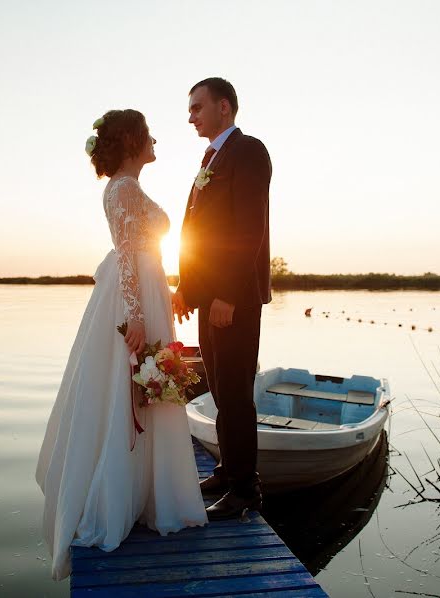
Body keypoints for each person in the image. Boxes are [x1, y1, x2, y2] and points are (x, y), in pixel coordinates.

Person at [36, 109, 207, 580]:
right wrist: (134, 313)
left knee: (138, 391)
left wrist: (162, 292)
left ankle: (143, 490)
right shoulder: (124, 189)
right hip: (134, 295)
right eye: (149, 135)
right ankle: (129, 496)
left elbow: (137, 250)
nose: (156, 141)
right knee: (131, 389)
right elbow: (130, 252)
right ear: (132, 141)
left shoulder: (121, 188)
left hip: (145, 289)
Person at [173, 77, 273, 521]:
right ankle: (226, 470)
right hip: (210, 295)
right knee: (219, 389)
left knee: (235, 392)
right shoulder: (211, 157)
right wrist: (188, 288)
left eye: (197, 107)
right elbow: (200, 233)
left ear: (224, 108)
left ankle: (245, 490)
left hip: (233, 299)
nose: (190, 115)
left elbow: (248, 229)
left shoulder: (248, 151)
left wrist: (230, 295)